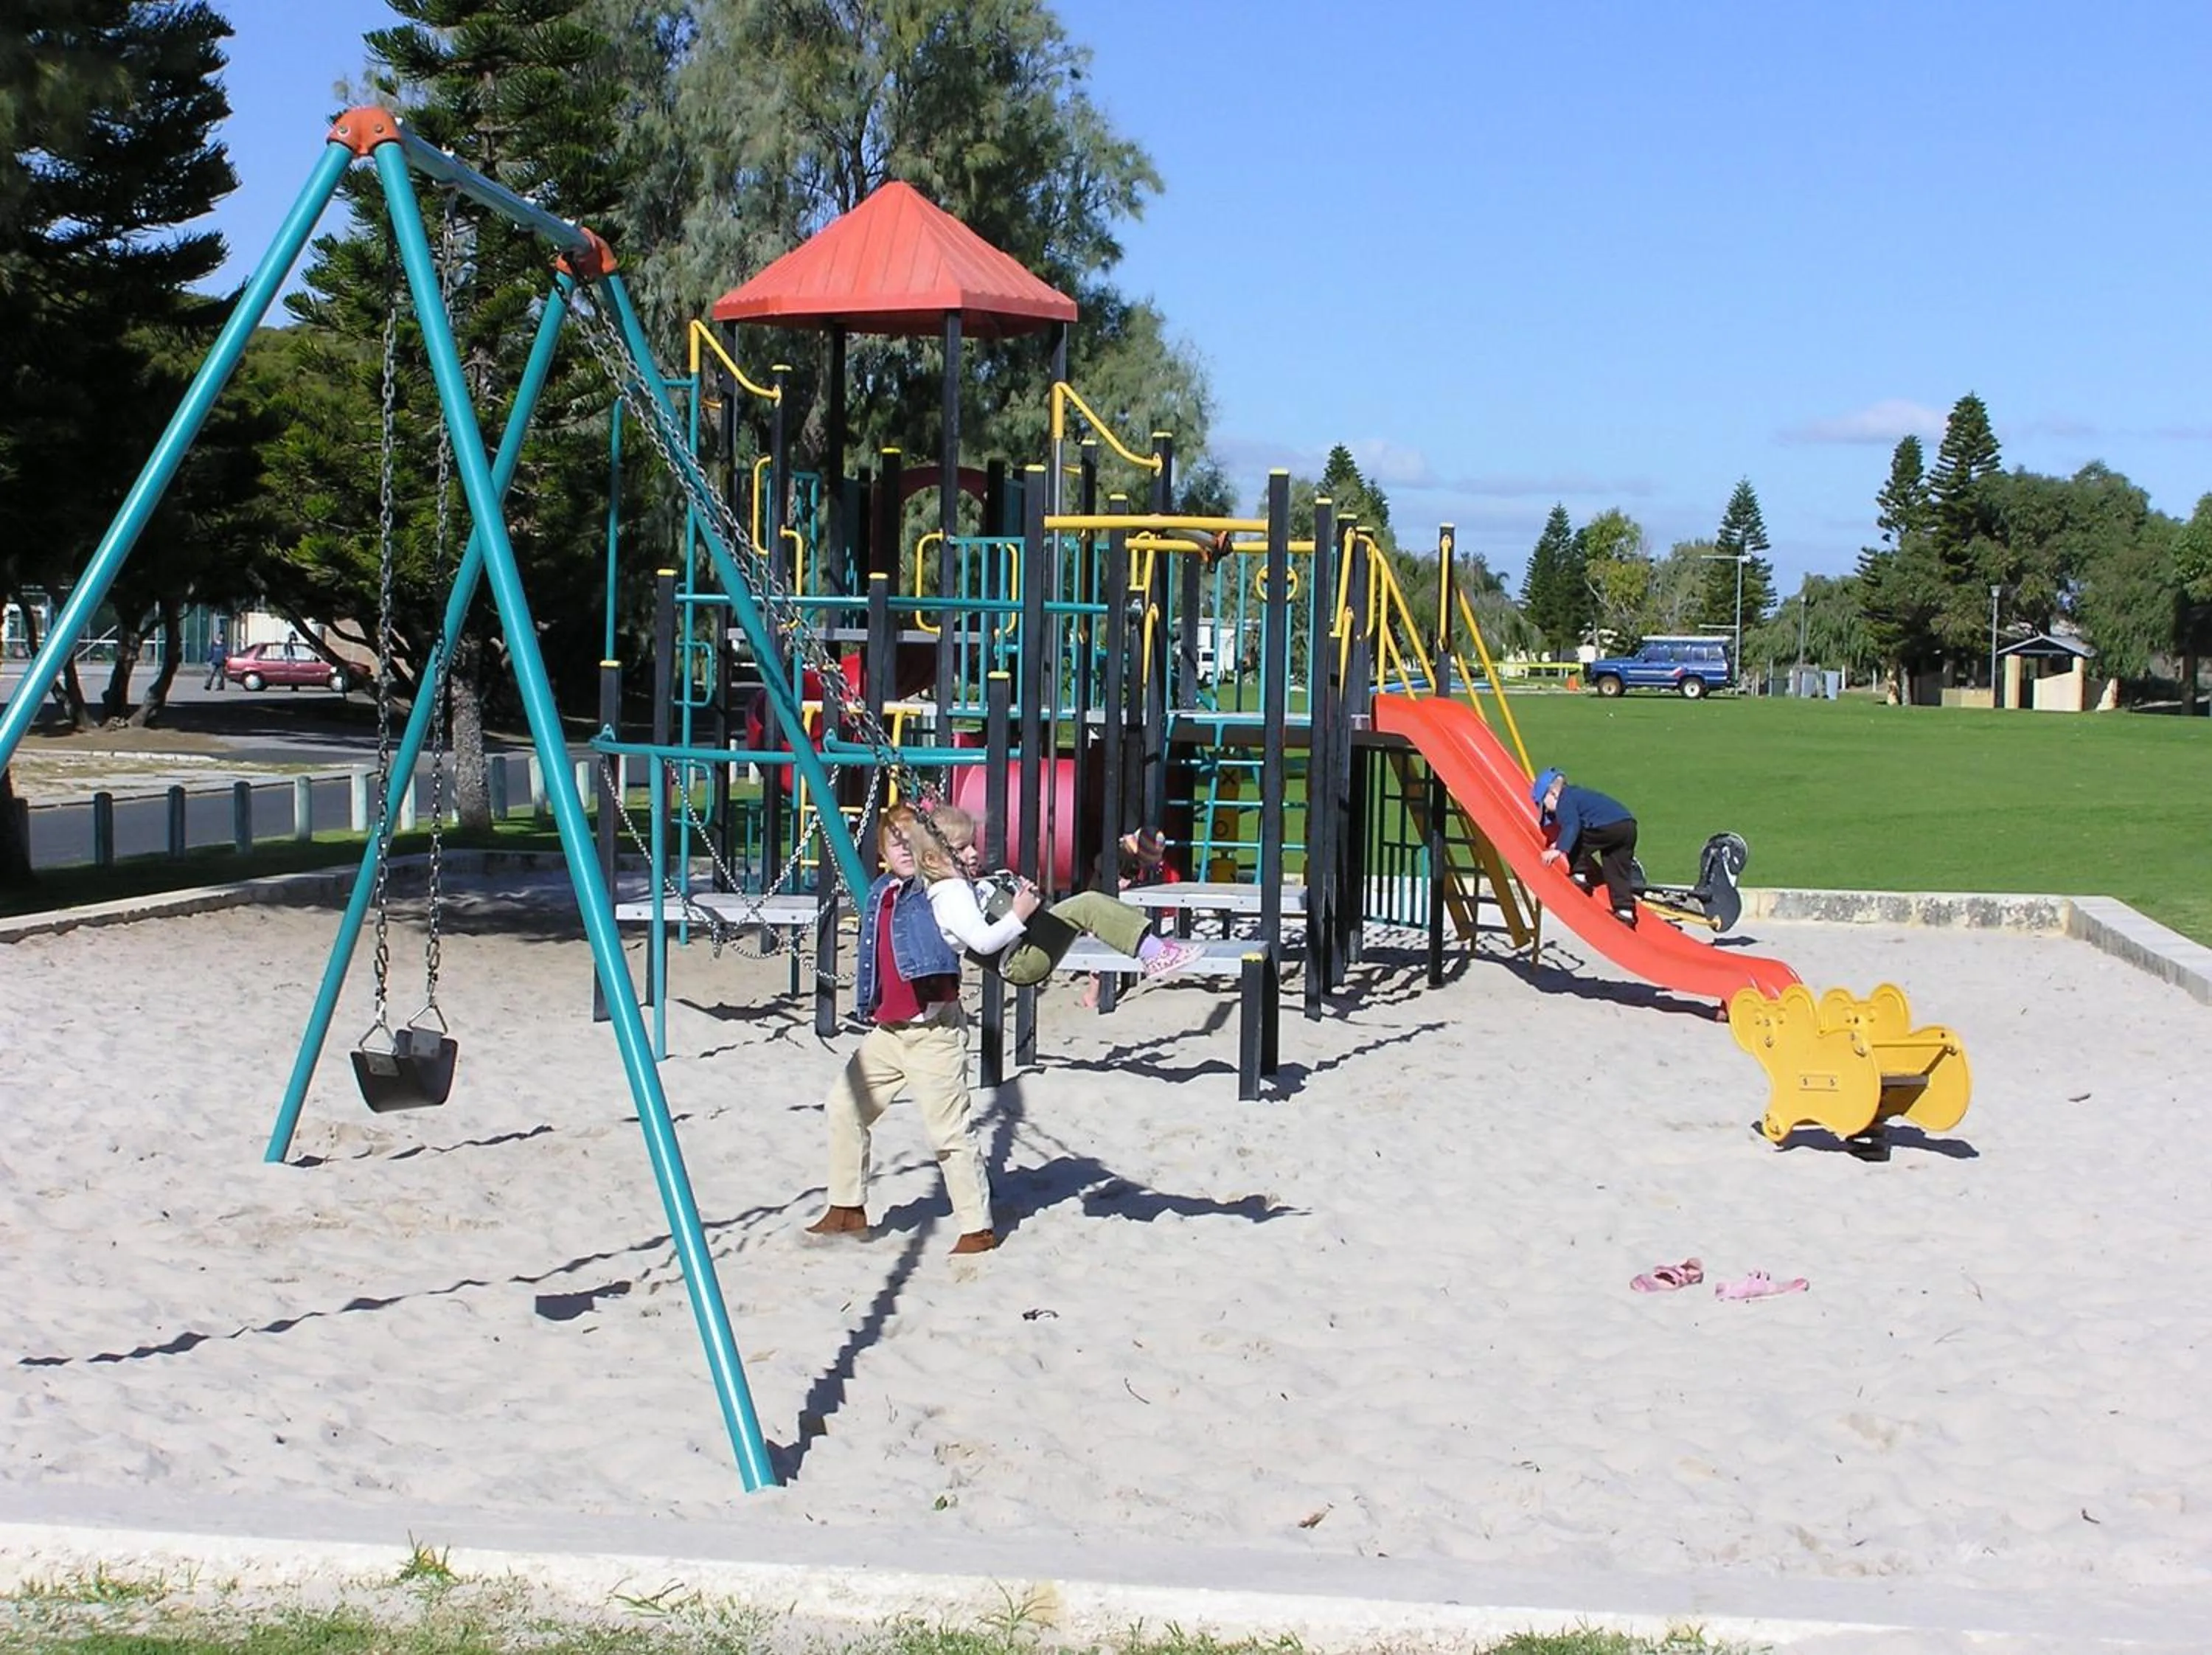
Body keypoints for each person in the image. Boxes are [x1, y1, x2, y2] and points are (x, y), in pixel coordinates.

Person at [804, 802, 1018, 1255]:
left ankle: (976, 1227)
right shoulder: (881, 892)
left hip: (933, 1034)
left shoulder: (939, 890)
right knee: (844, 1106)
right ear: (881, 851)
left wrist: (968, 869)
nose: (903, 848)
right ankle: (847, 1207)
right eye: (893, 841)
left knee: (948, 1132)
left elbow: (969, 897)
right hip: (887, 1034)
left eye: (910, 840)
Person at [925, 805, 1205, 989]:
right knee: (1089, 905)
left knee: (1090, 905)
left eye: (973, 845)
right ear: (932, 858)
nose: (973, 853)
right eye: (961, 849)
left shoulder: (961, 885)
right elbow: (984, 943)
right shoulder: (950, 895)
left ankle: (1153, 947)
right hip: (1019, 961)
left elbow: (990, 911)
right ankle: (1154, 953)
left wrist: (1017, 894)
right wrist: (1018, 913)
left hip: (1024, 946)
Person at [1531, 766, 1639, 927]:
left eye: (1544, 804)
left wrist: (1558, 850)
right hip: (1628, 826)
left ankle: (1579, 877)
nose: (1547, 811)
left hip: (1608, 826)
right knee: (1617, 868)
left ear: (1553, 793)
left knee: (1576, 837)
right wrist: (1561, 841)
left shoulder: (1564, 800)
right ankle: (1625, 911)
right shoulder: (1577, 795)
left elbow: (1571, 825)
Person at [203, 623, 228, 692]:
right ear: (218, 636)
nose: (221, 637)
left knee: (221, 675)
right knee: (211, 674)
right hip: (214, 661)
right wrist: (208, 659)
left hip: (221, 662)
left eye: (222, 636)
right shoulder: (214, 644)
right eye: (220, 636)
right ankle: (208, 685)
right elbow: (211, 652)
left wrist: (225, 658)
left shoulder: (224, 644)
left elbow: (226, 652)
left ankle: (220, 686)